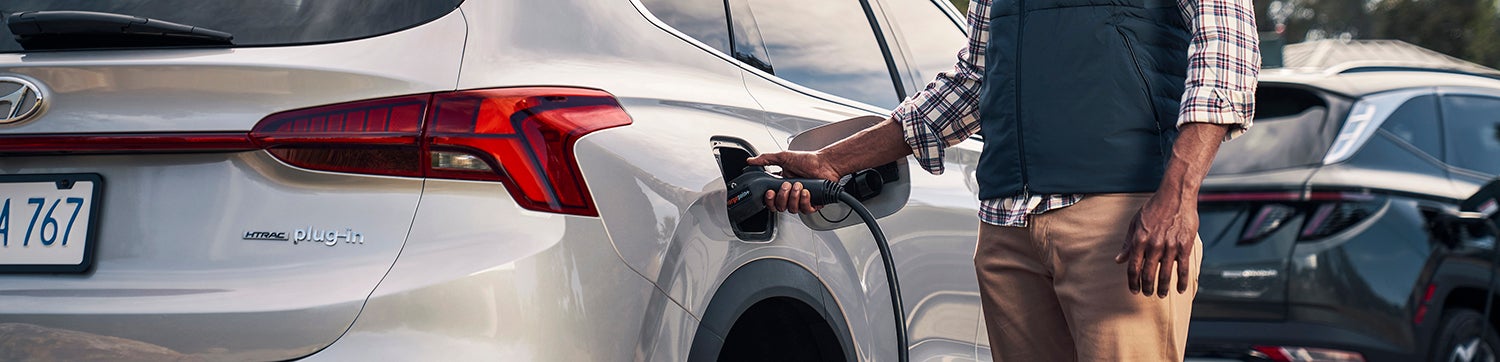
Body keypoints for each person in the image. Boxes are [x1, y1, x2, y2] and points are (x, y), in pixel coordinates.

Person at [746, 0, 1259, 360]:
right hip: (1006, 230)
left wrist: (1177, 197)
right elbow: (973, 82)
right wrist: (833, 162)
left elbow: (1226, 54)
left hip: (1117, 224)